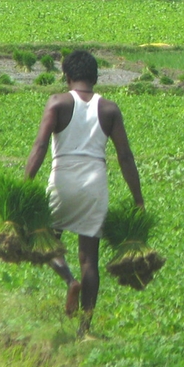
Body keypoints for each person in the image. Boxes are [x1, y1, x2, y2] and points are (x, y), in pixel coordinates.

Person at [24, 50, 144, 339]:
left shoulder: (57, 103)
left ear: (67, 77)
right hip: (95, 184)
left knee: (43, 239)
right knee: (90, 258)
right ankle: (85, 328)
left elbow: (40, 147)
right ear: (95, 77)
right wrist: (138, 199)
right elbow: (125, 157)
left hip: (63, 178)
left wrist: (25, 184)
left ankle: (69, 280)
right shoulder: (109, 109)